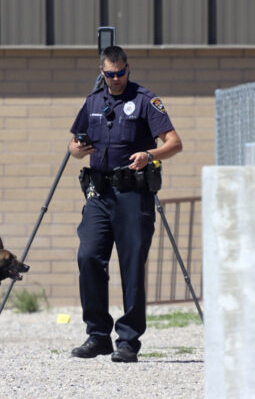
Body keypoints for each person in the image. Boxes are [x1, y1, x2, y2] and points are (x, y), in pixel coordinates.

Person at [68, 46, 182, 363]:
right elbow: (73, 145)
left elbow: (174, 143)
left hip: (133, 194)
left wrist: (150, 155)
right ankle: (98, 335)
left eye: (120, 73)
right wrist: (77, 149)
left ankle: (128, 340)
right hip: (98, 195)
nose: (116, 79)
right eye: (109, 74)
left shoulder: (145, 100)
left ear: (128, 68)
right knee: (88, 255)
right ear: (101, 72)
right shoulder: (92, 101)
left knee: (131, 266)